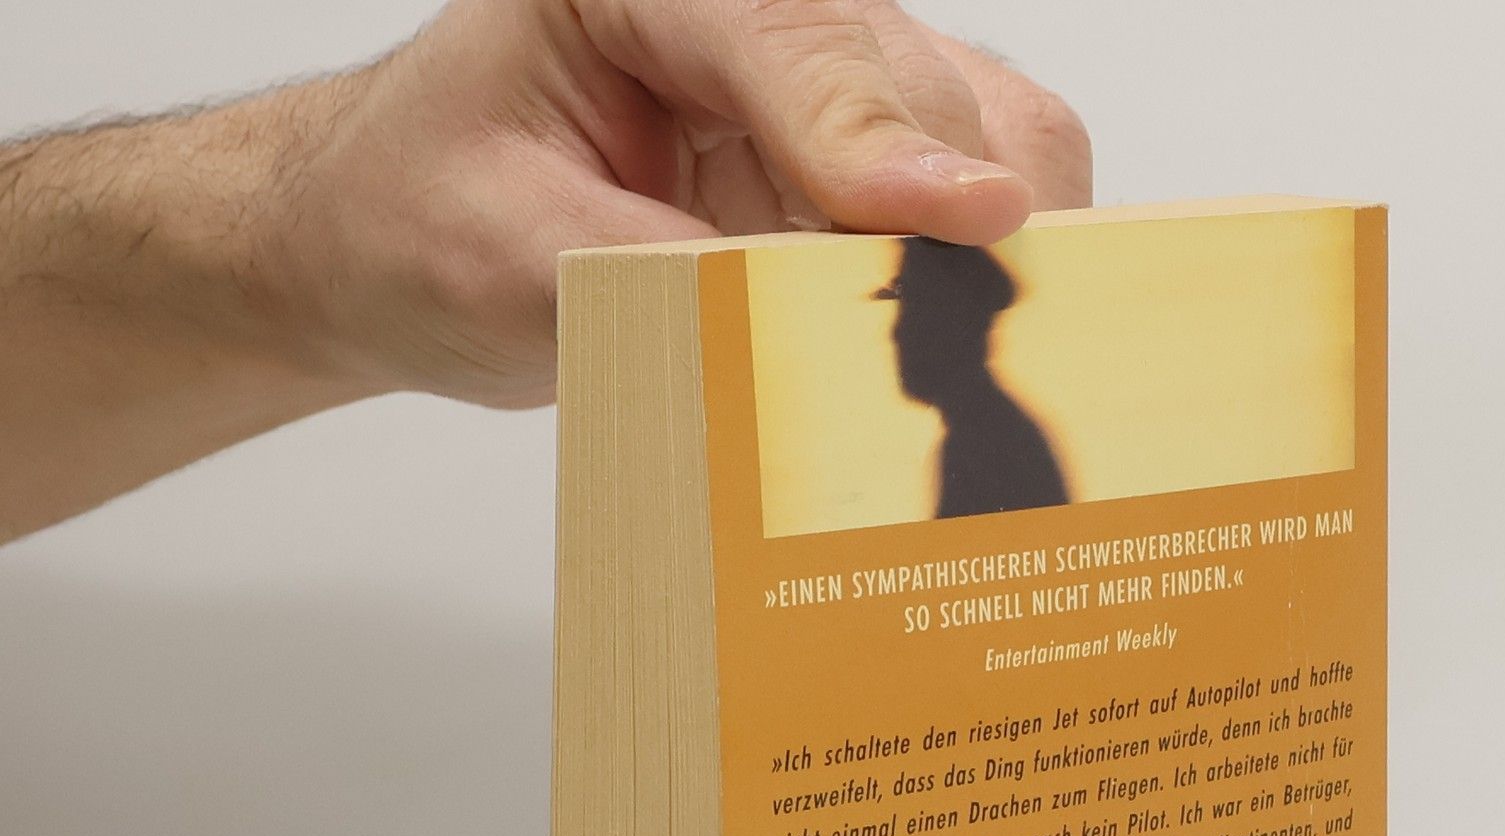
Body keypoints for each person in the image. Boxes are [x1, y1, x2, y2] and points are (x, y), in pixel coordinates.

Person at [0, 0, 1091, 545]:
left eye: (899, 313)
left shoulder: (981, 447)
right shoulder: (973, 439)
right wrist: (289, 242)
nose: (893, 327)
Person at [876, 237, 1070, 518]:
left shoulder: (986, 447)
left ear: (952, 326)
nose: (895, 333)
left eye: (913, 308)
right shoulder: (987, 437)